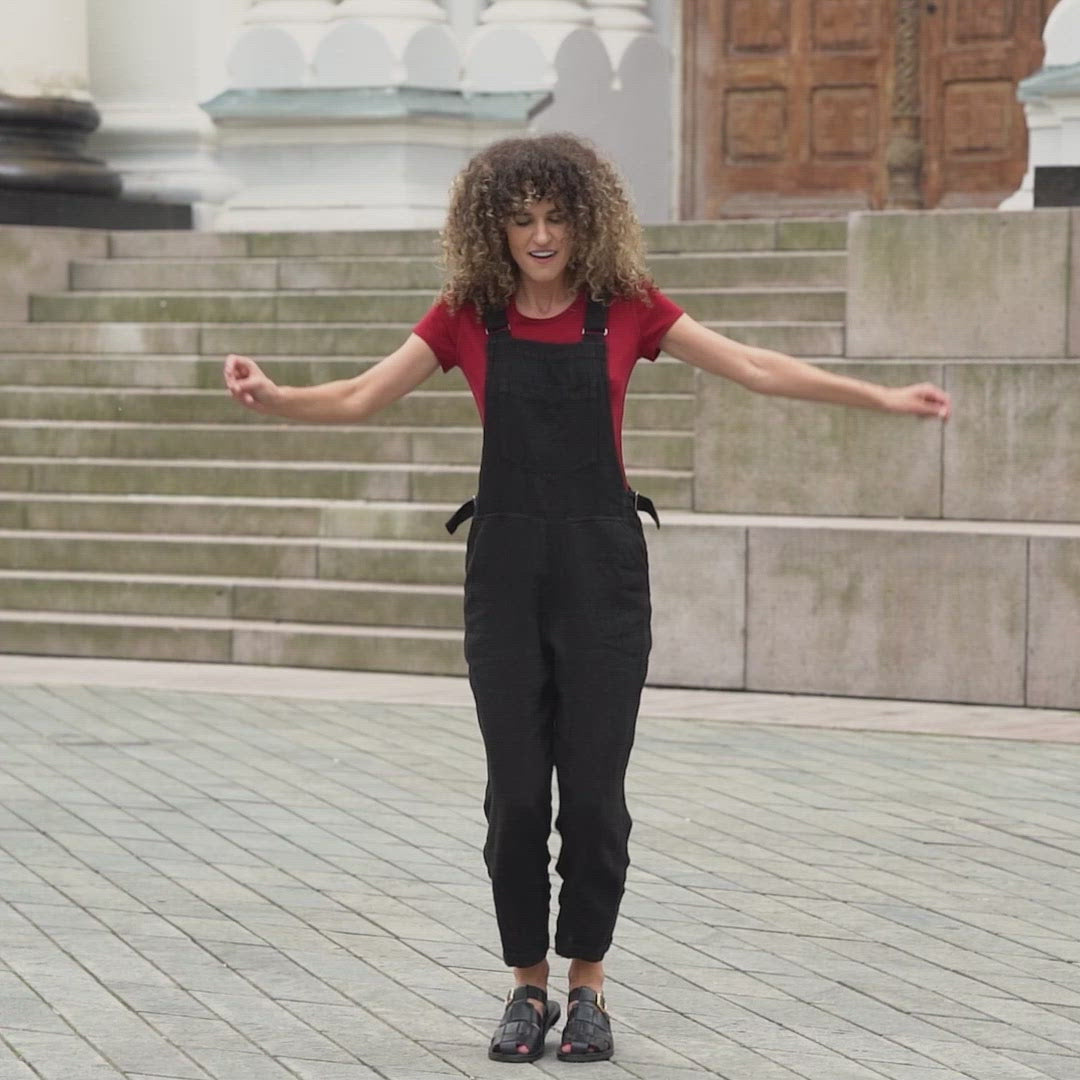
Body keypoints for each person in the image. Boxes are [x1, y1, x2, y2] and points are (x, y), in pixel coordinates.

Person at [223, 133, 951, 1065]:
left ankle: (588, 986)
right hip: (506, 578)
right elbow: (363, 396)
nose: (539, 235)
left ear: (586, 219)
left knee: (596, 801)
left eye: (556, 217)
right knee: (518, 799)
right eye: (521, 218)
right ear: (492, 226)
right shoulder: (466, 316)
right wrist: (275, 396)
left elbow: (758, 368)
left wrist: (881, 400)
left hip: (603, 580)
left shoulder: (628, 312)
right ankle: (526, 987)